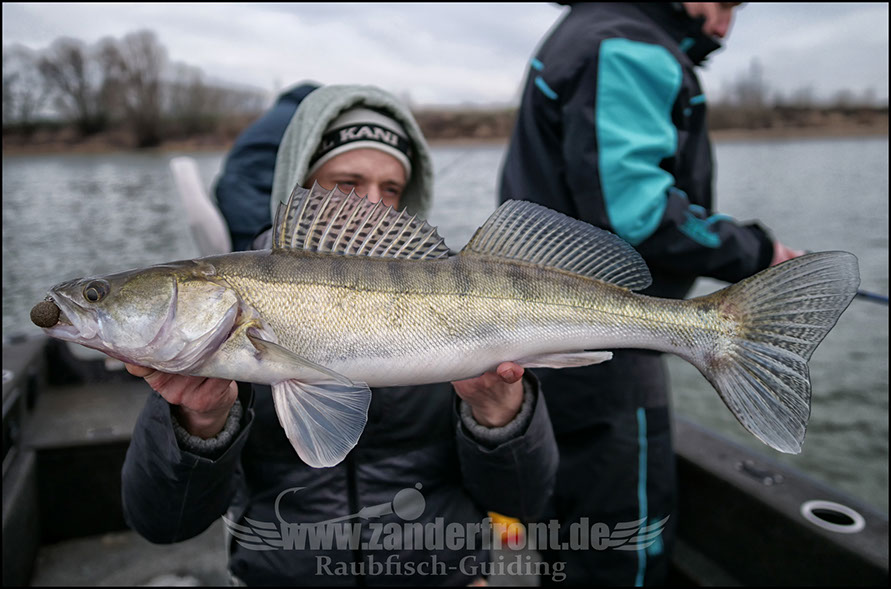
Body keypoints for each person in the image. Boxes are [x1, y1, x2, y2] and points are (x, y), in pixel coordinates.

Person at [121, 84, 560, 585]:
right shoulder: (213, 325)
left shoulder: (469, 296)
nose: (371, 204)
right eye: (347, 183)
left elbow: (524, 500)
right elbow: (165, 522)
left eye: (391, 188)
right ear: (301, 187)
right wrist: (198, 425)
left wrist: (501, 418)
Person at [498, 3, 803, 586]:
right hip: (608, 354)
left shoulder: (587, 29)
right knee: (622, 551)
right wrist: (758, 251)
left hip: (540, 338)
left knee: (567, 534)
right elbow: (634, 210)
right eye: (724, 4)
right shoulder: (625, 42)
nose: (724, 26)